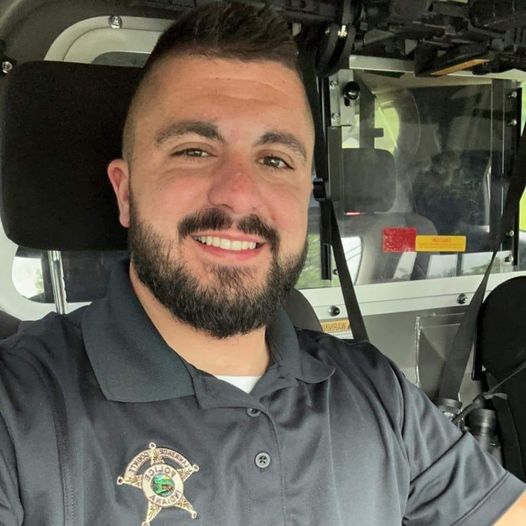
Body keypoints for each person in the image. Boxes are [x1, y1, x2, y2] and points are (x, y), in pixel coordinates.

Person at [0, 2, 525, 525]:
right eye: (194, 150)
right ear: (125, 192)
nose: (239, 194)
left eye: (275, 160)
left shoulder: (375, 389)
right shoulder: (18, 407)